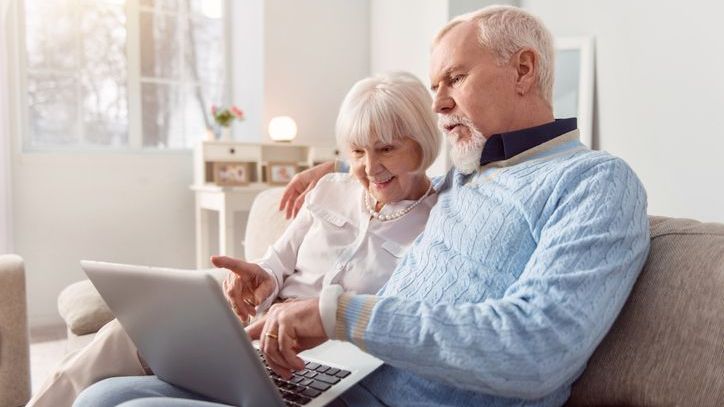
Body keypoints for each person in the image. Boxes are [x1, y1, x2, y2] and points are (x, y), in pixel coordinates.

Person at [75, 5, 651, 407]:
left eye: (455, 78)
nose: (440, 102)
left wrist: (337, 313)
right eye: (434, 86)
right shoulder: (464, 179)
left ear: (523, 69)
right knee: (107, 392)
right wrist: (331, 164)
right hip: (341, 384)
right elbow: (393, 167)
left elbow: (537, 350)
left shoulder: (595, 183)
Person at [27, 71, 441, 407]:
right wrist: (261, 274)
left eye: (385, 149)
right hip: (252, 333)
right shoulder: (329, 188)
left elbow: (399, 321)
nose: (370, 168)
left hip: (311, 357)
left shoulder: (441, 219)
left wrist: (318, 315)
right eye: (356, 153)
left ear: (421, 143)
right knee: (128, 331)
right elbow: (279, 260)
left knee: (107, 399)